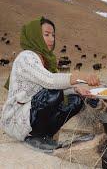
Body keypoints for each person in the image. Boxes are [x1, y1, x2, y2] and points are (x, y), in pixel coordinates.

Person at [1, 17, 100, 152]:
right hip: (17, 118)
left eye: (53, 35)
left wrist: (77, 90)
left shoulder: (45, 60)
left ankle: (44, 135)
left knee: (76, 100)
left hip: (32, 112)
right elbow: (50, 82)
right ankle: (33, 136)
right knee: (53, 91)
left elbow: (53, 88)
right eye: (46, 35)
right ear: (34, 35)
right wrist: (81, 77)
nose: (51, 39)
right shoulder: (26, 57)